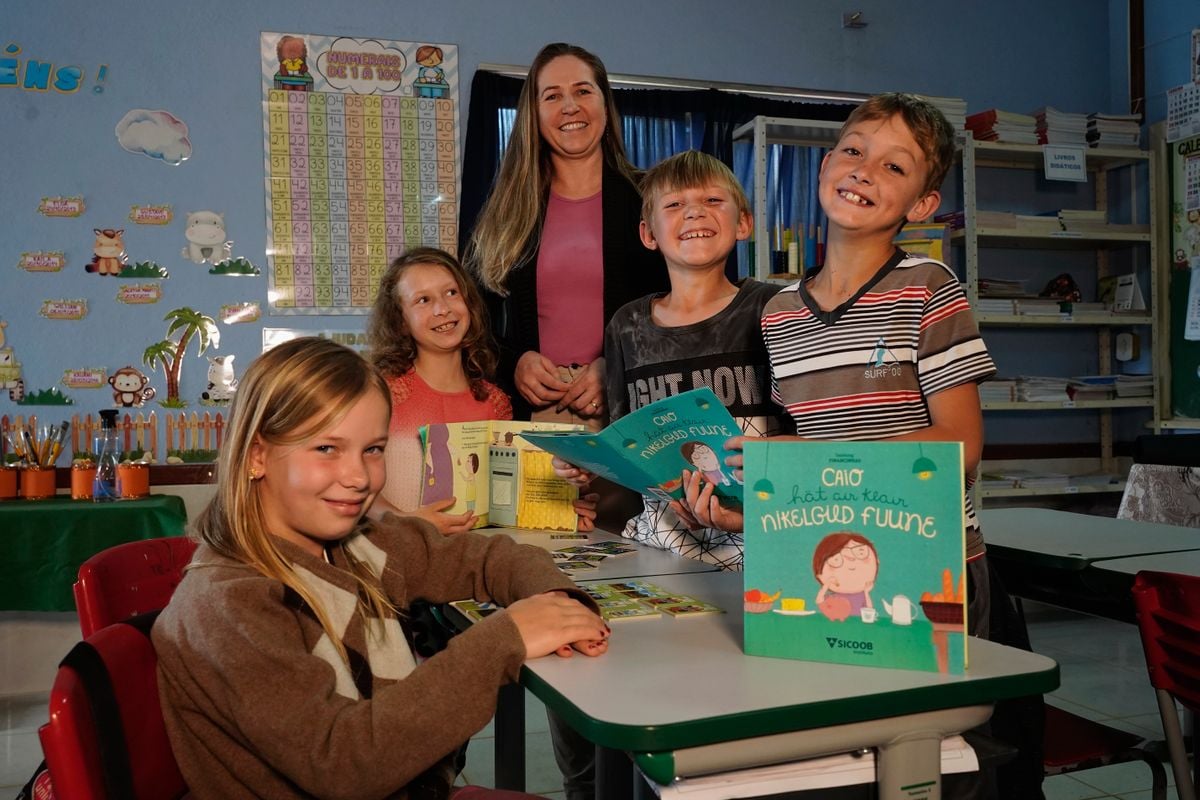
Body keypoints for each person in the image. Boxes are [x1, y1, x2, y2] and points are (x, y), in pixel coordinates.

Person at [682, 93, 1037, 799]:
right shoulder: (781, 314)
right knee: (848, 759)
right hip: (824, 574)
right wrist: (749, 492)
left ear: (923, 203)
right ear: (822, 168)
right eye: (853, 150)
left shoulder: (930, 291)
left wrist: (804, 464)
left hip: (931, 565)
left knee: (947, 763)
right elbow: (807, 441)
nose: (865, 170)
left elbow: (960, 447)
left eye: (894, 165)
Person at [152, 337, 610, 800]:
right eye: (327, 448)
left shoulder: (359, 544)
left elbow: (485, 556)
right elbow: (342, 763)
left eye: (373, 450)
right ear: (256, 456)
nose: (358, 476)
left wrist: (558, 600)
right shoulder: (228, 605)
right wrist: (502, 639)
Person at [548, 149, 783, 800]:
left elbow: (804, 431)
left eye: (712, 201)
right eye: (674, 205)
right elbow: (628, 441)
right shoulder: (627, 324)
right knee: (612, 676)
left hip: (756, 539)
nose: (695, 214)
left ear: (743, 223)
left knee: (730, 703)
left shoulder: (775, 309)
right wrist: (591, 468)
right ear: (649, 233)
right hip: (663, 541)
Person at [464, 42, 667, 428]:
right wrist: (515, 363)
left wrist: (618, 366)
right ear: (535, 115)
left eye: (583, 91)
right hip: (538, 416)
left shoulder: (653, 200)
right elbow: (474, 326)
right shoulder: (504, 214)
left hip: (631, 413)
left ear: (605, 106)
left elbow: (683, 311)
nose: (570, 106)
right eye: (553, 96)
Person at [367, 247, 598, 534]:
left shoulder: (495, 401)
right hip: (399, 557)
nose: (443, 309)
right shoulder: (380, 393)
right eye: (423, 300)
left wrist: (562, 510)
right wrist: (406, 523)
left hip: (475, 561)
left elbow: (505, 501)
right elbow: (355, 488)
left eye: (451, 293)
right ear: (400, 322)